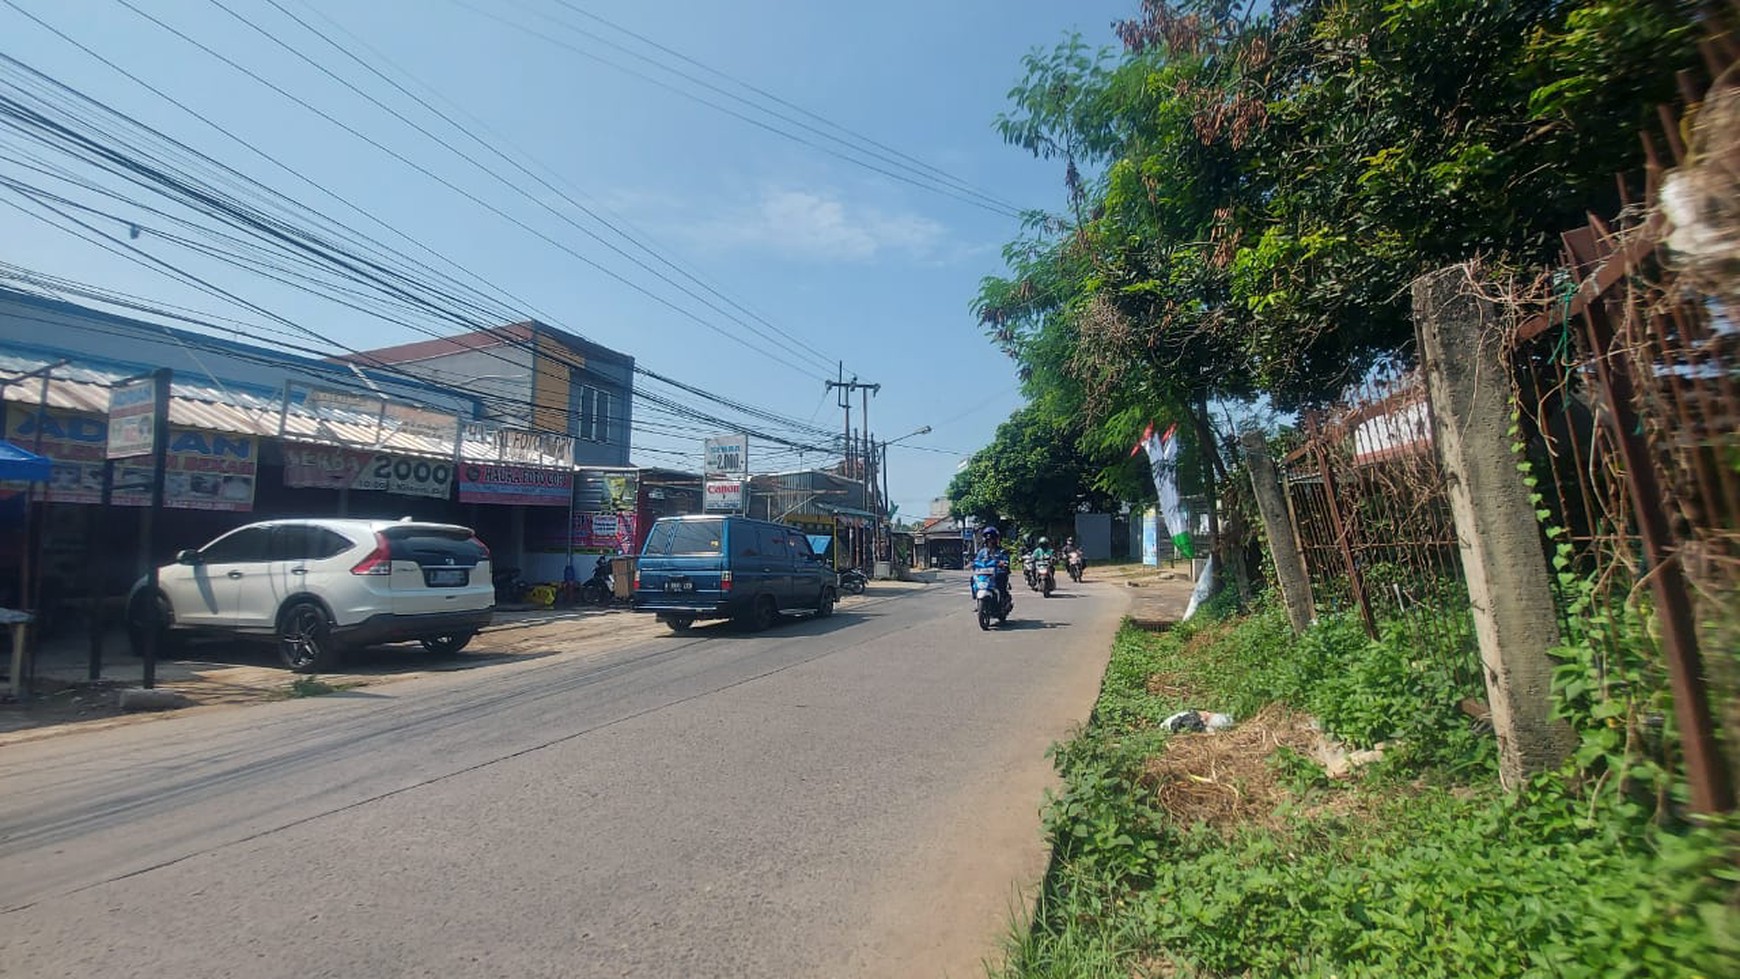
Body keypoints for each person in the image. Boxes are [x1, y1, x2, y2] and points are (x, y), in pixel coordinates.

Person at [970, 526, 1012, 609]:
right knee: (973, 579)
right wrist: (972, 563)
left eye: (992, 539)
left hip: (998, 573)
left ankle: (1003, 601)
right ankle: (977, 598)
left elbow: (1006, 559)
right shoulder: (982, 552)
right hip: (985, 573)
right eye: (988, 539)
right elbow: (977, 560)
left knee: (1001, 580)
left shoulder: (1001, 551)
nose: (990, 541)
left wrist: (1003, 563)